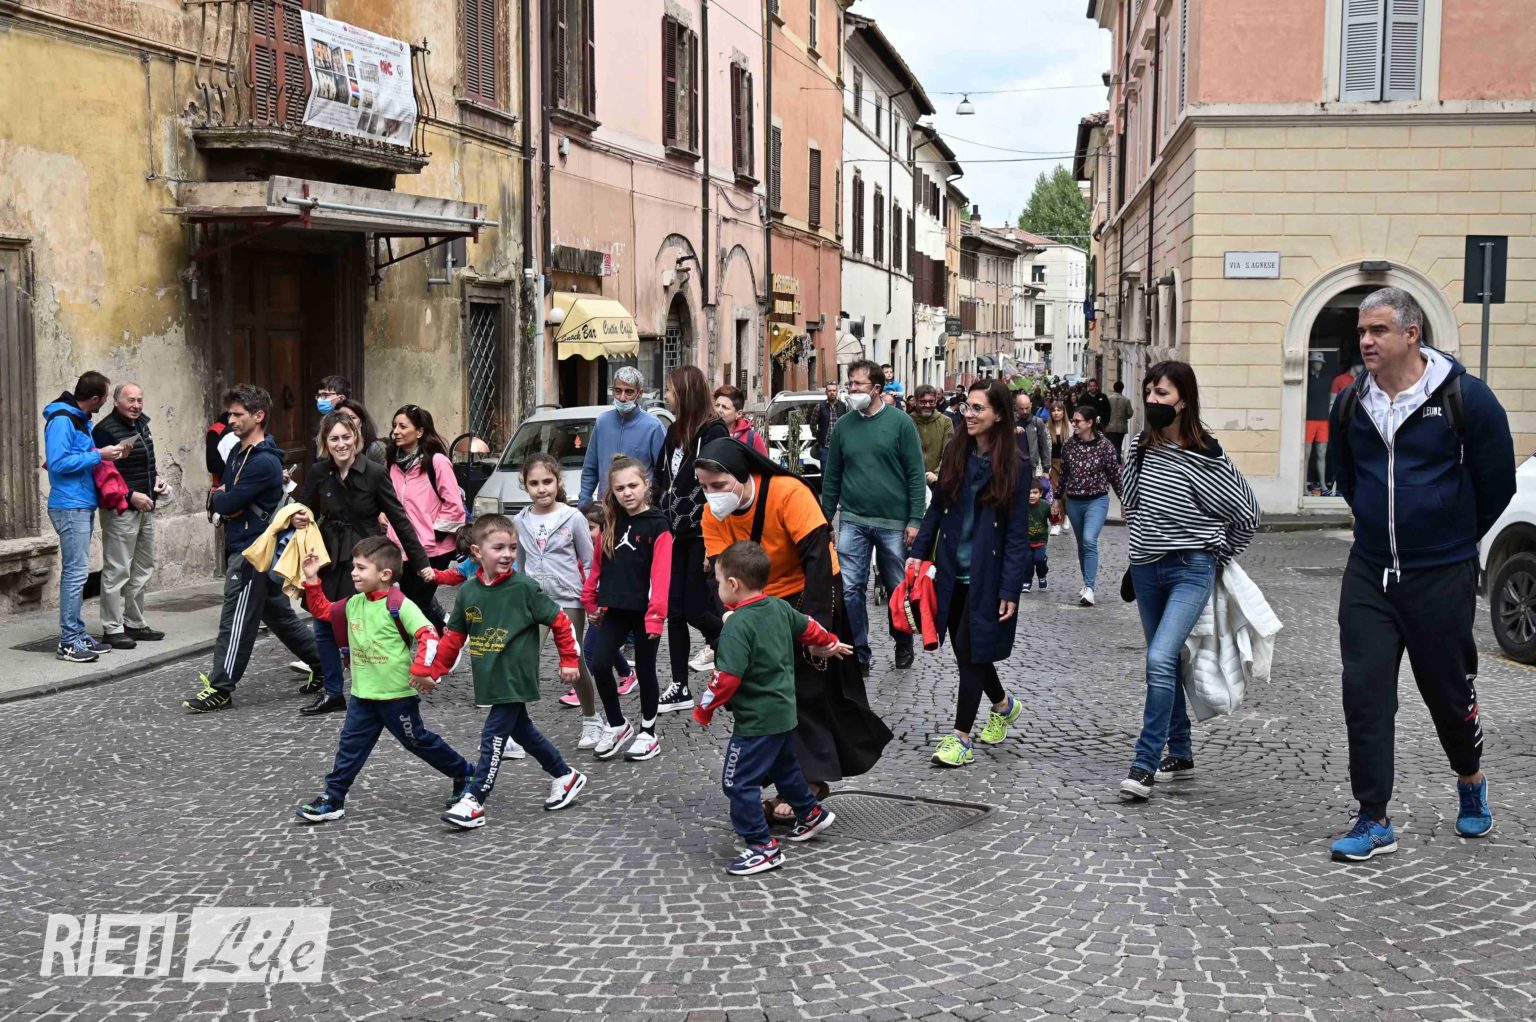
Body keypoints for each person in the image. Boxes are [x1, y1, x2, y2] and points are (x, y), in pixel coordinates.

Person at [1327, 287, 1515, 862]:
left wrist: (1449, 539)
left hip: (1440, 575)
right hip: (1370, 571)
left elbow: (1497, 484)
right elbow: (1347, 477)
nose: (1366, 341)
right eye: (1362, 331)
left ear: (1412, 334)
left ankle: (1470, 778)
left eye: (1378, 330)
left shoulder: (1466, 398)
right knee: (1365, 694)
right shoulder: (1351, 401)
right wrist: (1376, 529)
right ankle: (1373, 818)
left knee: (1448, 694)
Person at [695, 437, 893, 821]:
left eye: (718, 485)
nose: (711, 495)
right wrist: (728, 619)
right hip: (755, 601)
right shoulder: (711, 514)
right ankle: (784, 773)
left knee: (807, 688)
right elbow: (719, 572)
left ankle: (809, 782)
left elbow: (817, 560)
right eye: (704, 487)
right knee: (762, 688)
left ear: (742, 475)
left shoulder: (788, 492)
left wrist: (815, 632)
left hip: (810, 590)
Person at [1118, 361, 1261, 802]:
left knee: (1159, 657)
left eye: (1162, 393)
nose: (1152, 401)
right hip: (1146, 569)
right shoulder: (1139, 447)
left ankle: (1144, 764)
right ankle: (1179, 752)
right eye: (1149, 392)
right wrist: (1141, 549)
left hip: (1190, 568)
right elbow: (1131, 504)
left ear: (1184, 400)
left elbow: (1248, 516)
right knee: (1171, 661)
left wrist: (1216, 557)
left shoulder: (1209, 456)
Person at [294, 536, 474, 824]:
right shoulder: (353, 603)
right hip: (363, 696)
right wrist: (312, 579)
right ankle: (333, 797)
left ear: (385, 574)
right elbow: (324, 612)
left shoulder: (400, 605)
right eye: (354, 567)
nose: (353, 573)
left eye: (361, 568)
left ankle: (464, 773)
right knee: (349, 747)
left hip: (396, 696)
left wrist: (421, 671)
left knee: (417, 741)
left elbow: (428, 635)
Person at [692, 541, 846, 875]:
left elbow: (726, 678)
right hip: (784, 713)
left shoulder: (736, 626)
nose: (717, 589)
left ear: (733, 585)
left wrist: (705, 708)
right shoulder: (778, 607)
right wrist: (830, 641)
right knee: (784, 769)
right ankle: (811, 815)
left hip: (756, 722)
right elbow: (810, 627)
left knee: (738, 783)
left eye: (718, 582)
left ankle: (762, 847)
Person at [426, 514, 589, 829]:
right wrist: (435, 671)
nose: (507, 554)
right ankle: (564, 774)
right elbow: (454, 637)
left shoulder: (524, 588)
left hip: (515, 676)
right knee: (523, 732)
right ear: (477, 552)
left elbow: (560, 621)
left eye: (513, 547)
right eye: (498, 547)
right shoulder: (469, 592)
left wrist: (569, 659)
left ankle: (474, 800)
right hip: (490, 676)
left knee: (493, 737)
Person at [911, 380, 1031, 768]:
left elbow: (1017, 533)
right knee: (968, 651)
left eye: (979, 408)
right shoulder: (957, 451)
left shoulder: (1016, 464)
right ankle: (1003, 705)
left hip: (987, 575)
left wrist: (1010, 589)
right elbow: (937, 508)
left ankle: (961, 737)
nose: (970, 414)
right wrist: (917, 554)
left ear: (999, 415)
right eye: (967, 407)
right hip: (951, 570)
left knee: (971, 649)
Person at [183, 385, 322, 712]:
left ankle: (221, 687)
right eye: (229, 414)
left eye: (237, 414)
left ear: (258, 416)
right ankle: (324, 665)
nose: (230, 420)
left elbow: (226, 500)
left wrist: (223, 498)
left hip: (253, 551)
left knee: (235, 619)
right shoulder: (237, 451)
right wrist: (225, 497)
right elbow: (226, 495)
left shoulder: (263, 462)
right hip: (246, 544)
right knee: (280, 618)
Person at [288, 412, 429, 716]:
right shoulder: (319, 471)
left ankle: (383, 687)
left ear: (356, 438)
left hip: (367, 557)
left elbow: (399, 518)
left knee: (369, 624)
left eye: (346, 437)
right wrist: (297, 517)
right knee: (324, 624)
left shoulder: (375, 472)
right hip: (330, 556)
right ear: (325, 442)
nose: (341, 444)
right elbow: (303, 509)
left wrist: (421, 563)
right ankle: (333, 692)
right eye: (334, 439)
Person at [819, 360, 927, 674]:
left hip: (893, 522)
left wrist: (915, 519)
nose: (851, 389)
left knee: (896, 587)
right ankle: (858, 653)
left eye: (858, 384)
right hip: (853, 519)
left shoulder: (901, 423)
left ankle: (902, 639)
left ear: (876, 388)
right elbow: (832, 476)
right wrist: (825, 519)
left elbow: (915, 474)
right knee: (851, 589)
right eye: (849, 383)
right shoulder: (844, 426)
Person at [583, 455, 672, 761]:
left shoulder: (658, 525)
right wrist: (590, 600)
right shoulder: (611, 521)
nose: (627, 492)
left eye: (633, 485)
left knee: (645, 670)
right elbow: (597, 565)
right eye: (620, 488)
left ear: (645, 484)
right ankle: (617, 724)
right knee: (599, 663)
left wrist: (656, 617)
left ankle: (648, 732)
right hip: (615, 609)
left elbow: (661, 576)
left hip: (645, 613)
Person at [513, 453, 602, 750]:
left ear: (558, 482)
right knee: (525, 660)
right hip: (534, 600)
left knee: (574, 658)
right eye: (534, 483)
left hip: (569, 599)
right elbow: (519, 565)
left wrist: (591, 597)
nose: (542, 489)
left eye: (547, 481)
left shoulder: (572, 517)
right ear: (525, 485)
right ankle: (514, 726)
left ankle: (591, 718)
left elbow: (588, 561)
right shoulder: (521, 520)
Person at [655, 367, 731, 709]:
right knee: (674, 610)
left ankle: (730, 648)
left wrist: (712, 547)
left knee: (696, 609)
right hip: (675, 532)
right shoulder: (674, 431)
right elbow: (663, 477)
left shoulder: (714, 430)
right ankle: (680, 685)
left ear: (685, 393)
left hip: (702, 532)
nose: (666, 396)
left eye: (670, 390)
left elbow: (719, 488)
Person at [44, 371, 123, 663]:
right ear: (95, 398)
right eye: (105, 397)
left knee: (77, 573)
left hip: (80, 503)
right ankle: (68, 642)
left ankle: (77, 634)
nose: (105, 402)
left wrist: (102, 455)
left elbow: (73, 456)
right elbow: (58, 463)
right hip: (69, 505)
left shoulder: (78, 419)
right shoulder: (63, 420)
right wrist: (98, 455)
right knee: (75, 574)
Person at [89, 382, 168, 650]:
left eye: (139, 400)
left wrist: (157, 481)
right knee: (118, 568)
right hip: (120, 508)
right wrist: (131, 494)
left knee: (143, 566)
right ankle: (112, 628)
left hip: (146, 505)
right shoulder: (104, 431)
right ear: (116, 401)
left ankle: (134, 622)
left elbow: (147, 463)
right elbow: (104, 475)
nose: (136, 405)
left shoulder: (142, 425)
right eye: (130, 400)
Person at [386, 404, 466, 634]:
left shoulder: (436, 462)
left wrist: (433, 533)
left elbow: (454, 505)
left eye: (403, 426)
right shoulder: (392, 462)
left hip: (433, 549)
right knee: (412, 602)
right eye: (394, 426)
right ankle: (445, 638)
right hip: (401, 546)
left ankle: (441, 642)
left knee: (416, 602)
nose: (396, 431)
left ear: (419, 431)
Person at [1056, 404, 1122, 607]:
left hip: (1097, 500)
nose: (1073, 424)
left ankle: (1090, 589)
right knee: (1081, 544)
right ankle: (1087, 583)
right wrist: (1057, 499)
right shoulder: (1069, 445)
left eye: (1077, 421)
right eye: (1073, 420)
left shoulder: (1105, 446)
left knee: (1089, 540)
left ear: (1090, 423)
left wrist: (1124, 501)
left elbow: (1115, 475)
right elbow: (1064, 474)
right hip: (1074, 502)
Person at [576, 504, 640, 702]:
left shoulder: (611, 550)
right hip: (594, 605)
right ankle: (627, 673)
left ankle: (580, 691)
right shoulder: (583, 550)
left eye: (591, 528)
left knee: (589, 649)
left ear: (604, 529)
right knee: (605, 645)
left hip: (608, 606)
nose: (587, 533)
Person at [578, 366, 666, 507]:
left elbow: (662, 473)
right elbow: (590, 468)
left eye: (629, 392)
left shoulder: (653, 427)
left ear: (640, 393)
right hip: (607, 507)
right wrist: (584, 502)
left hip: (640, 508)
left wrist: (653, 506)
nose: (622, 398)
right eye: (618, 391)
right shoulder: (602, 422)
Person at [909, 384, 954, 483]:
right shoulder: (907, 421)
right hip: (912, 480)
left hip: (938, 480)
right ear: (915, 402)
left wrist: (937, 474)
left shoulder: (945, 422)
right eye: (923, 402)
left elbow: (949, 451)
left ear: (936, 401)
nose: (927, 405)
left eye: (931, 401)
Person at [1304, 352, 1332, 495]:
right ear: (1311, 363)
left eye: (1320, 362)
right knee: (1306, 454)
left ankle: (1322, 484)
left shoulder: (1327, 380)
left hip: (1323, 420)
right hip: (1308, 419)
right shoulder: (1306, 379)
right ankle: (1303, 484)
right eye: (1316, 361)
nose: (1319, 364)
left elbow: (1331, 400)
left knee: (1322, 453)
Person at [713, 384, 767, 456]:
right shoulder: (708, 434)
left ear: (738, 414)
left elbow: (763, 463)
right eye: (717, 405)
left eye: (725, 407)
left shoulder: (752, 438)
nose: (719, 410)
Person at [1013, 391, 1050, 487]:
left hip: (1031, 466)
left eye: (1027, 408)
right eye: (1021, 409)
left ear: (1031, 405)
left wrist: (1046, 469)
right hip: (1012, 465)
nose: (1025, 411)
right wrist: (1011, 431)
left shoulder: (1037, 422)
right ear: (1016, 407)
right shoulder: (1009, 421)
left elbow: (1043, 446)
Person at [810, 379, 846, 470]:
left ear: (837, 392)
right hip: (825, 447)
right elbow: (813, 423)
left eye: (834, 390)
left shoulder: (843, 406)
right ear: (826, 392)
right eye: (830, 391)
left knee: (839, 472)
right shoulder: (820, 406)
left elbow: (847, 425)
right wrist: (818, 436)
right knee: (825, 472)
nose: (832, 393)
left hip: (839, 447)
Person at [1024, 477, 1050, 592]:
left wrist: (1056, 514)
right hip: (1026, 540)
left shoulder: (1045, 506)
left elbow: (1054, 520)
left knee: (1039, 559)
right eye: (1029, 493)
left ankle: (1042, 576)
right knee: (1027, 560)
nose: (1031, 496)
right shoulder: (1022, 506)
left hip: (1040, 540)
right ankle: (1026, 580)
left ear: (1041, 493)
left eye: (1035, 493)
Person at [1106, 380, 1133, 463]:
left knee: (1111, 445)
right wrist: (1124, 417)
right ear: (1122, 389)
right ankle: (1117, 462)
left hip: (1110, 426)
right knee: (1118, 445)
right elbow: (1130, 413)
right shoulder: (1126, 400)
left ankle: (1113, 462)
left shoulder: (1108, 399)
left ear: (1114, 388)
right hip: (1121, 427)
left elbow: (1105, 412)